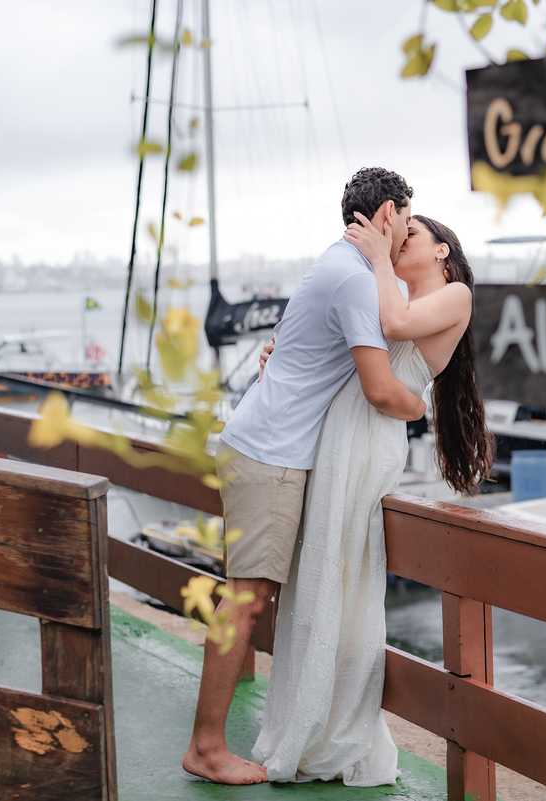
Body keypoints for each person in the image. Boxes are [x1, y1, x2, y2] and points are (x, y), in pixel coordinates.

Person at [182, 167, 427, 786]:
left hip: (266, 446)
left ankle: (215, 742)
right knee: (248, 597)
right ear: (389, 214)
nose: (403, 242)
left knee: (252, 595)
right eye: (405, 223)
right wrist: (422, 406)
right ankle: (206, 748)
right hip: (271, 455)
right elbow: (377, 388)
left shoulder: (339, 266)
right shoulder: (353, 278)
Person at [249, 212, 493, 784]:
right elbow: (348, 352)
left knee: (350, 580)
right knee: (318, 575)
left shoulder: (454, 294)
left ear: (441, 252)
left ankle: (337, 732)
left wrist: (380, 258)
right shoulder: (396, 291)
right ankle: (303, 722)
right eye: (395, 235)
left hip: (367, 443)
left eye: (410, 237)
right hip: (340, 438)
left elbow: (396, 324)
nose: (396, 242)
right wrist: (278, 357)